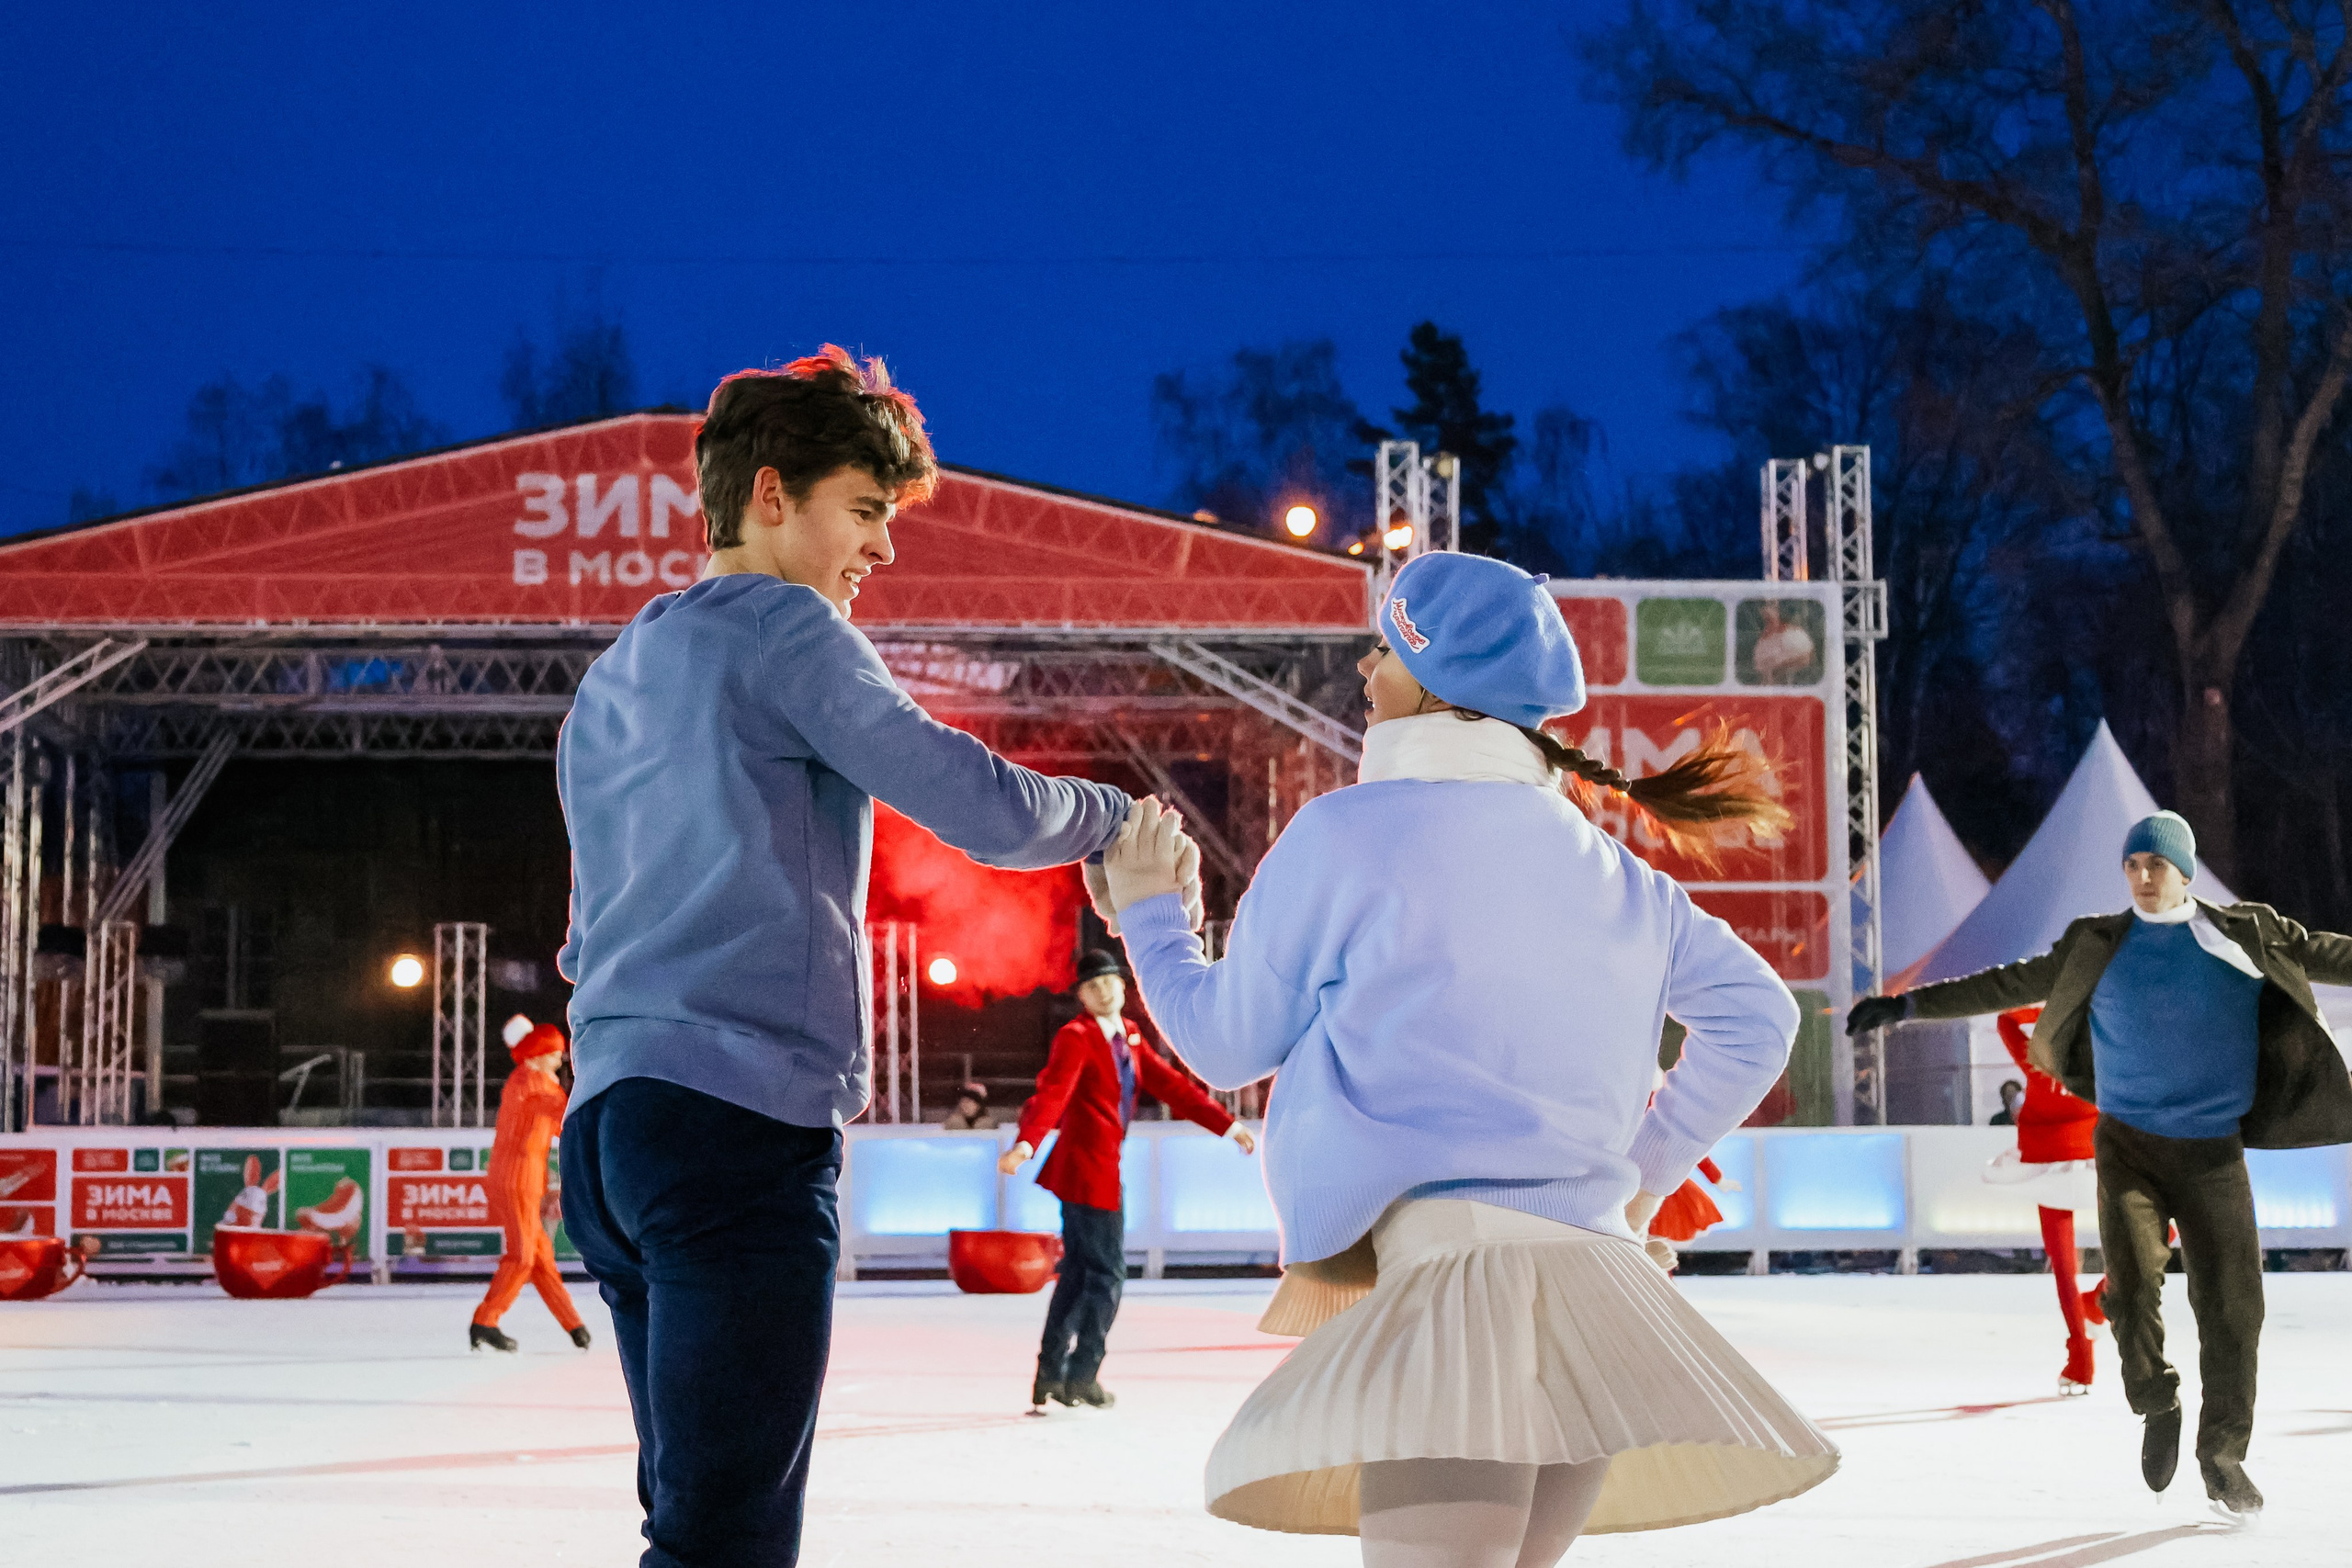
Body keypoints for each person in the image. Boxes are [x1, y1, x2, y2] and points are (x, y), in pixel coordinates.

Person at [555, 349, 1185, 1568]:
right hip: (735, 1130)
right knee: (726, 1541)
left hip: (611, 1137)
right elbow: (978, 800)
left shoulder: (615, 673)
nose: (882, 550)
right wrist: (1112, 819)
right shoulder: (789, 627)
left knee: (689, 1524)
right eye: (867, 510)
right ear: (773, 495)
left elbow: (586, 932)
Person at [1102, 552, 1839, 1567]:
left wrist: (1149, 918)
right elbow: (1758, 1019)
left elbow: (1223, 1043)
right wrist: (1640, 1178)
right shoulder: (1611, 868)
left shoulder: (1345, 836)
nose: (1367, 667)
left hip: (1456, 1292)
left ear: (1439, 683)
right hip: (1595, 1297)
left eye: (1390, 648)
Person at [1849, 810, 2352, 1521]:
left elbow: (2332, 953)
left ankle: (2223, 1453)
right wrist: (1906, 1005)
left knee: (2235, 1307)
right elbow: (2005, 983)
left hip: (2213, 1150)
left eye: (2156, 865)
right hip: (2127, 1144)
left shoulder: (2244, 931)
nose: (2143, 877)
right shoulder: (2097, 942)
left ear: (2185, 869)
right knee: (2130, 1286)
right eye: (2132, 865)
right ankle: (2157, 1400)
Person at [999, 949, 1257, 1411]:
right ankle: (1082, 1374)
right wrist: (1027, 1143)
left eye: (1108, 982)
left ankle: (1051, 1376)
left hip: (1094, 1172)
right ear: (1080, 996)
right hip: (1088, 1173)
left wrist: (1227, 1124)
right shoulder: (1076, 1037)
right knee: (1107, 1275)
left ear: (1122, 986)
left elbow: (1172, 1086)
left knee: (1079, 1273)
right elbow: (1052, 1093)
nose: (1102, 990)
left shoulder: (1130, 1037)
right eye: (1091, 985)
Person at [1980, 1007, 2105, 1393]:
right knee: (2155, 1231)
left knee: (2064, 1266)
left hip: (2049, 1163)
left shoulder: (2037, 1061)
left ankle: (2081, 1353)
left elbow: (2005, 1020)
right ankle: (2099, 1305)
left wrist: (2050, 1006)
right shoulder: (2103, 1063)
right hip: (2084, 1159)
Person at [470, 1015, 589, 1353]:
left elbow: (560, 1122)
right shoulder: (528, 1080)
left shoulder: (536, 1081)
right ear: (538, 1054)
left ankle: (574, 1325)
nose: (560, 1058)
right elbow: (560, 1116)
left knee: (540, 1257)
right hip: (515, 1177)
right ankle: (485, 1321)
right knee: (522, 1257)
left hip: (523, 1177)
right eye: (555, 1052)